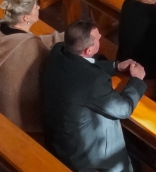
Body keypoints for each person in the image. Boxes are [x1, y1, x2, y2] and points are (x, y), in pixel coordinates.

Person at [41, 20, 146, 172]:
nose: (101, 36)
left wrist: (115, 66)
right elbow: (124, 109)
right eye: (97, 38)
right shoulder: (94, 81)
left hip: (59, 138)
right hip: (84, 154)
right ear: (88, 50)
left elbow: (81, 65)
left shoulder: (59, 51)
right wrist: (137, 80)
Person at [0, 0, 63, 142]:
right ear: (26, 17)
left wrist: (59, 37)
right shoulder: (30, 46)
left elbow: (29, 41)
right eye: (35, 7)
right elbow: (49, 57)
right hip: (17, 114)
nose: (38, 7)